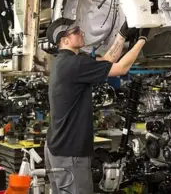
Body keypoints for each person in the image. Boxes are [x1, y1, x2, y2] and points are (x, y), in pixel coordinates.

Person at [44, 18, 148, 194]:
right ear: (65, 40)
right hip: (70, 150)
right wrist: (142, 40)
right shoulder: (74, 64)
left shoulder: (66, 61)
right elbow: (121, 68)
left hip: (57, 146)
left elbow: (107, 60)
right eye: (76, 31)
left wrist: (121, 35)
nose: (81, 33)